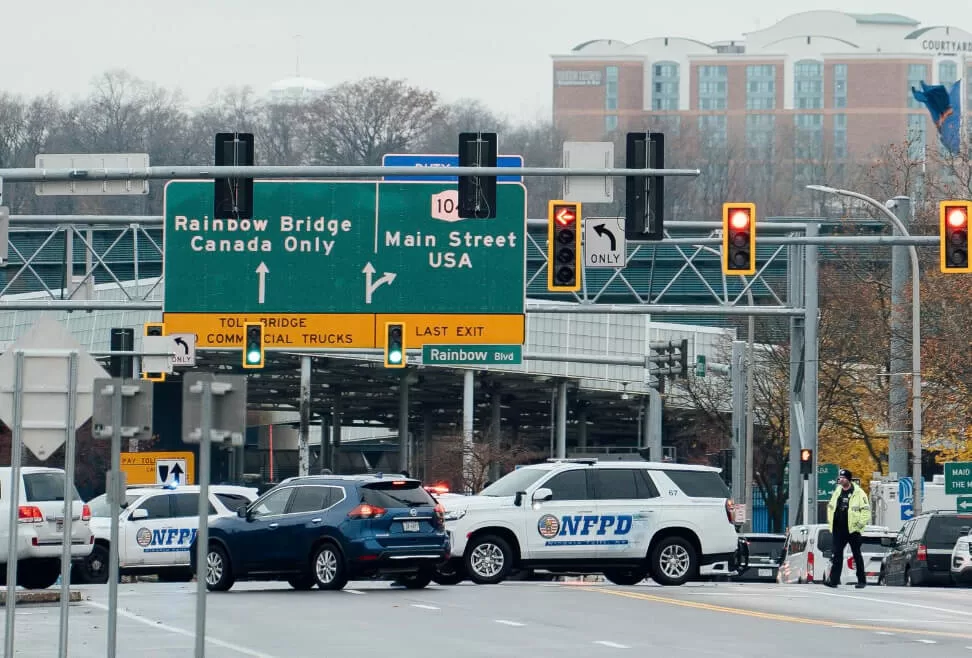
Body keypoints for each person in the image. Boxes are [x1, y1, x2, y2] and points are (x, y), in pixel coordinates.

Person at [825, 468, 871, 588]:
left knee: (856, 555)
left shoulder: (859, 493)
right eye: (840, 477)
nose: (841, 479)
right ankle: (833, 580)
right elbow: (831, 507)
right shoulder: (838, 491)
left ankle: (861, 581)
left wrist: (859, 527)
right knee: (837, 554)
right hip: (838, 529)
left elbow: (866, 512)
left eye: (843, 478)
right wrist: (831, 522)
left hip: (852, 529)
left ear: (848, 479)